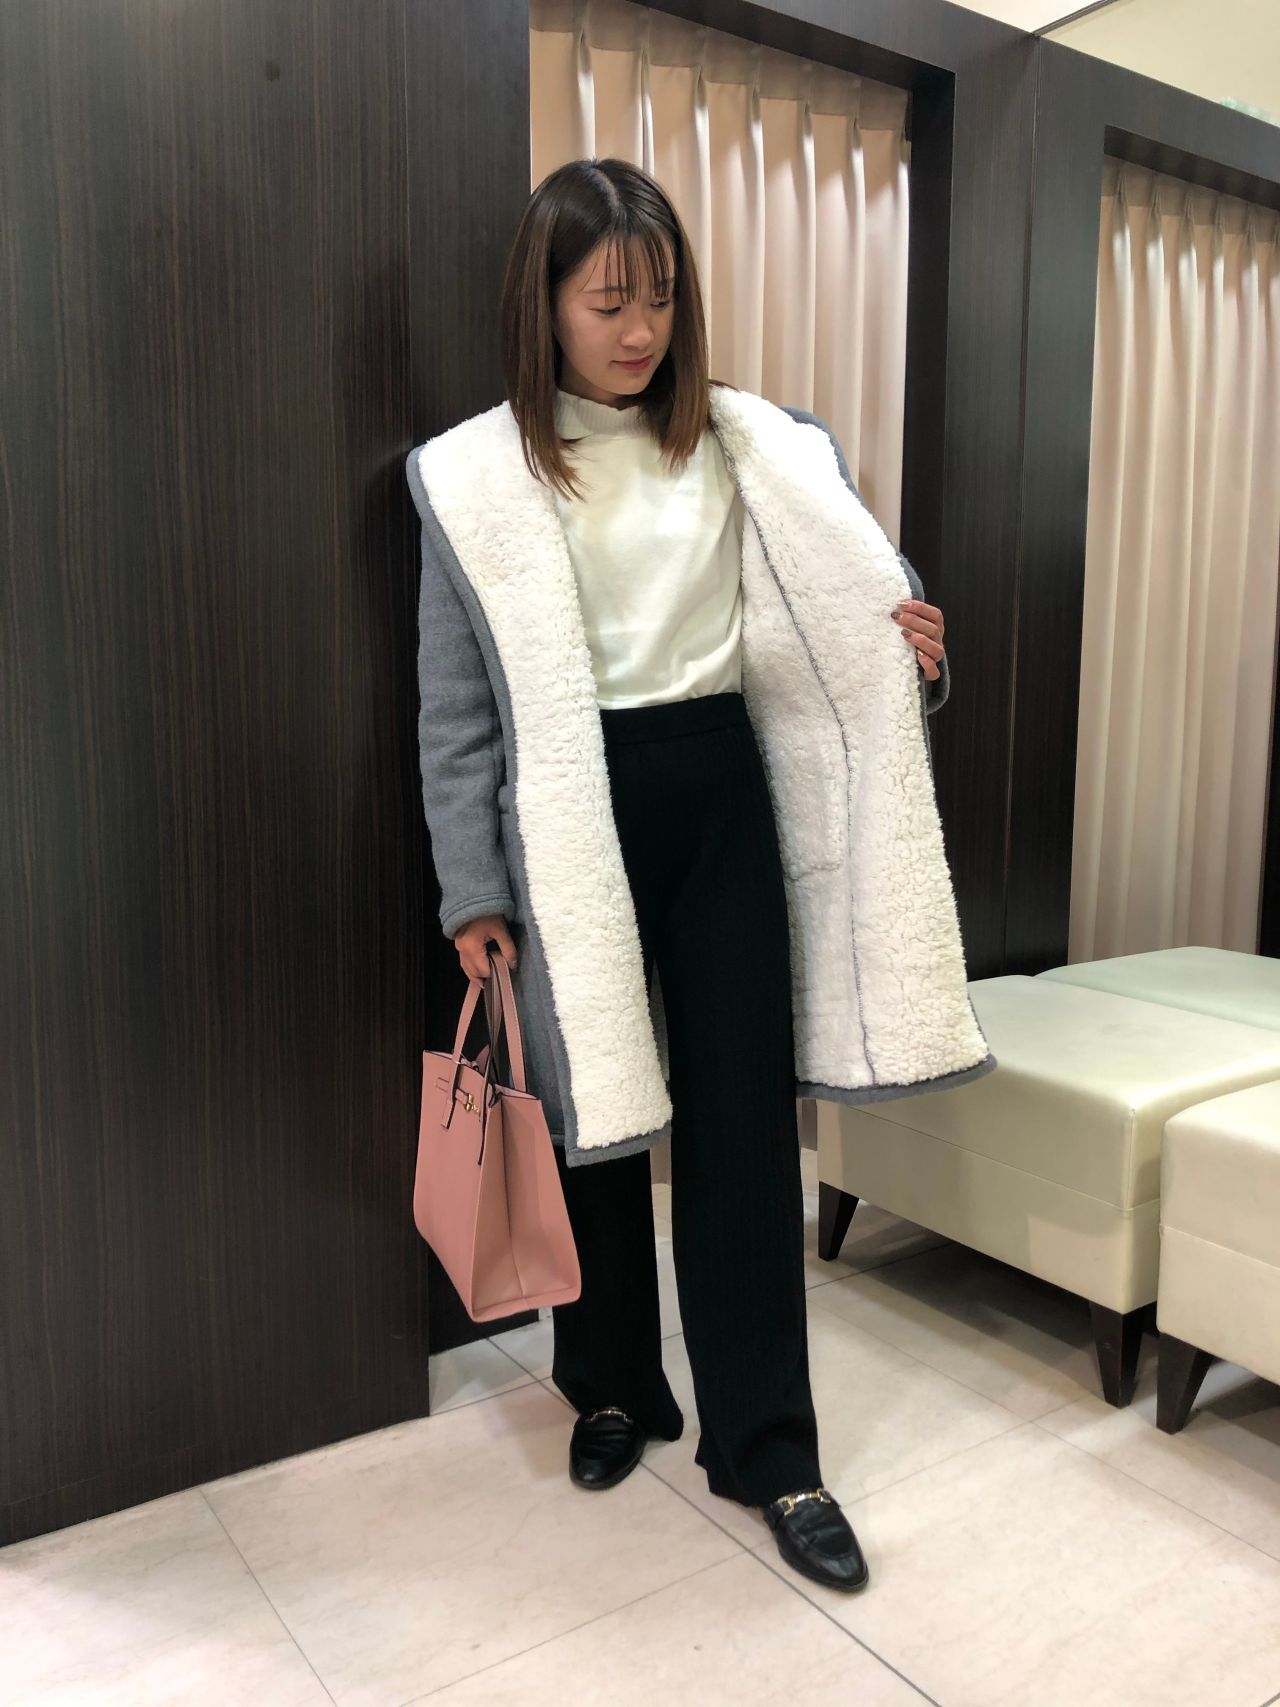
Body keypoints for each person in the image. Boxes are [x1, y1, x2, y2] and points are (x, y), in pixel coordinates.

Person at [406, 158, 992, 1597]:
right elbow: (454, 712)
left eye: (660, 299)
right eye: (608, 300)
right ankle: (612, 1386)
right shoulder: (475, 475)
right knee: (600, 1118)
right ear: (543, 303)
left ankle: (771, 1448)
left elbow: (840, 626)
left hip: (724, 788)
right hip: (572, 810)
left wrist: (912, 652)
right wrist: (473, 892)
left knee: (739, 1123)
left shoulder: (756, 444)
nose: (639, 330)